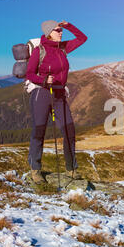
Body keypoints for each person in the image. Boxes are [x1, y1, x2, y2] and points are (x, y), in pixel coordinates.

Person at [26, 20, 88, 185]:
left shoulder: (63, 48)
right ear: (48, 33)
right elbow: (29, 73)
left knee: (69, 130)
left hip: (59, 93)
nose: (61, 33)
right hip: (42, 92)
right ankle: (35, 170)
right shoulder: (39, 51)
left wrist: (69, 25)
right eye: (57, 30)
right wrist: (44, 79)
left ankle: (71, 169)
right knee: (39, 131)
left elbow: (83, 38)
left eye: (61, 30)